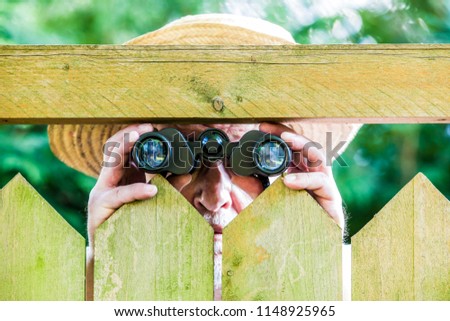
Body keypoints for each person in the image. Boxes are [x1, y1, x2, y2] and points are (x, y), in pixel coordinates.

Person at [47, 14, 360, 300]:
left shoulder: (348, 283)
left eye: (250, 159)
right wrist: (104, 266)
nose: (215, 197)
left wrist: (321, 255)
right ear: (139, 169)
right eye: (175, 155)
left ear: (288, 169)